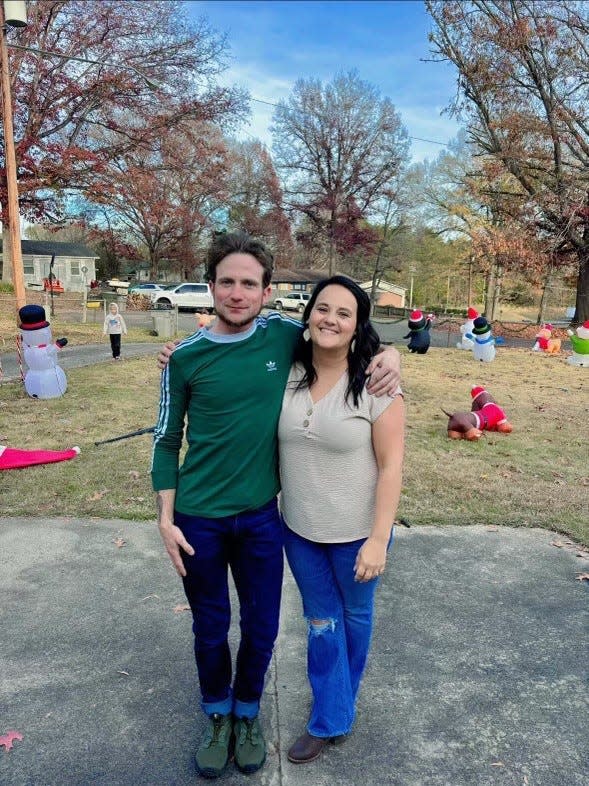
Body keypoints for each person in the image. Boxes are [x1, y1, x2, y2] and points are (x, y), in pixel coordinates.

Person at [151, 231, 401, 780]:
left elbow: (341, 333)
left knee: (262, 626)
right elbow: (166, 440)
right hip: (198, 519)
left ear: (266, 292)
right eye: (226, 282)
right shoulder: (185, 358)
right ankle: (217, 715)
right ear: (210, 286)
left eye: (249, 283)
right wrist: (165, 519)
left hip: (264, 517)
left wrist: (391, 355)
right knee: (211, 625)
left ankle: (248, 715)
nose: (237, 293)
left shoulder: (284, 337)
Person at [279, 275, 404, 763]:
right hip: (299, 530)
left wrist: (378, 539)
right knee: (321, 621)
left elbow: (392, 466)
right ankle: (336, 710)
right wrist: (176, 352)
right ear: (309, 314)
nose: (331, 319)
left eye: (344, 313)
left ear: (358, 326)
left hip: (358, 533)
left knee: (353, 616)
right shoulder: (286, 371)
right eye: (322, 308)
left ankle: (330, 716)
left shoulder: (377, 385)